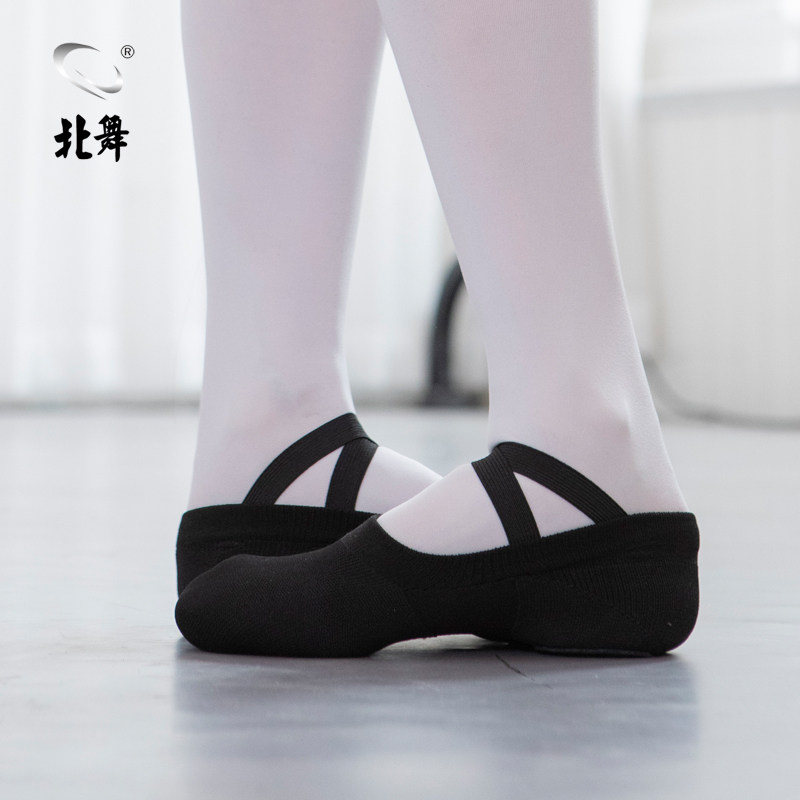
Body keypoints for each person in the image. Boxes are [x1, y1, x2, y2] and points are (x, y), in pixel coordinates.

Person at [174, 0, 699, 658]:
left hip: (585, 488)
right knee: (272, 394)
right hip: (275, 470)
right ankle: (274, 431)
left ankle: (582, 434)